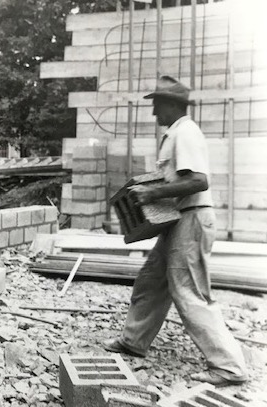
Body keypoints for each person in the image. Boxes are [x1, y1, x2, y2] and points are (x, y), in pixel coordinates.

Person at [103, 75, 248, 386]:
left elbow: (199, 181)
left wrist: (153, 194)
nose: (155, 113)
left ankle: (229, 366)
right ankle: (134, 340)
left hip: (192, 219)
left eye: (157, 106)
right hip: (178, 219)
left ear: (171, 105)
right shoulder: (175, 134)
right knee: (151, 281)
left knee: (189, 291)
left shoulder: (185, 133)